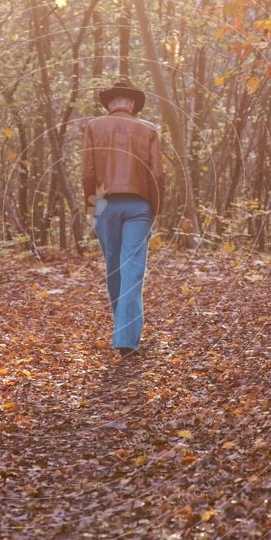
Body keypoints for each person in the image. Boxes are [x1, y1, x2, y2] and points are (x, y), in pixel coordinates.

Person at [81, 80, 165, 357]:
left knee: (114, 268)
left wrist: (91, 205)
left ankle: (124, 332)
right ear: (131, 104)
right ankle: (126, 335)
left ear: (110, 103)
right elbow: (157, 175)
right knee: (132, 270)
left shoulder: (94, 126)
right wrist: (155, 208)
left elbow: (88, 174)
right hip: (139, 204)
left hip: (104, 204)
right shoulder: (149, 129)